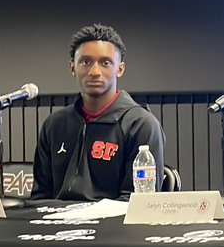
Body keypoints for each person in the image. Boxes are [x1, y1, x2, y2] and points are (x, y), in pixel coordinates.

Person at [31, 24, 165, 200]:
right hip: (56, 224)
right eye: (86, 62)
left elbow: (138, 203)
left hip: (114, 226)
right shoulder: (54, 125)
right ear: (73, 68)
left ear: (120, 69)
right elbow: (40, 197)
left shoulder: (141, 125)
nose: (95, 72)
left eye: (105, 63)